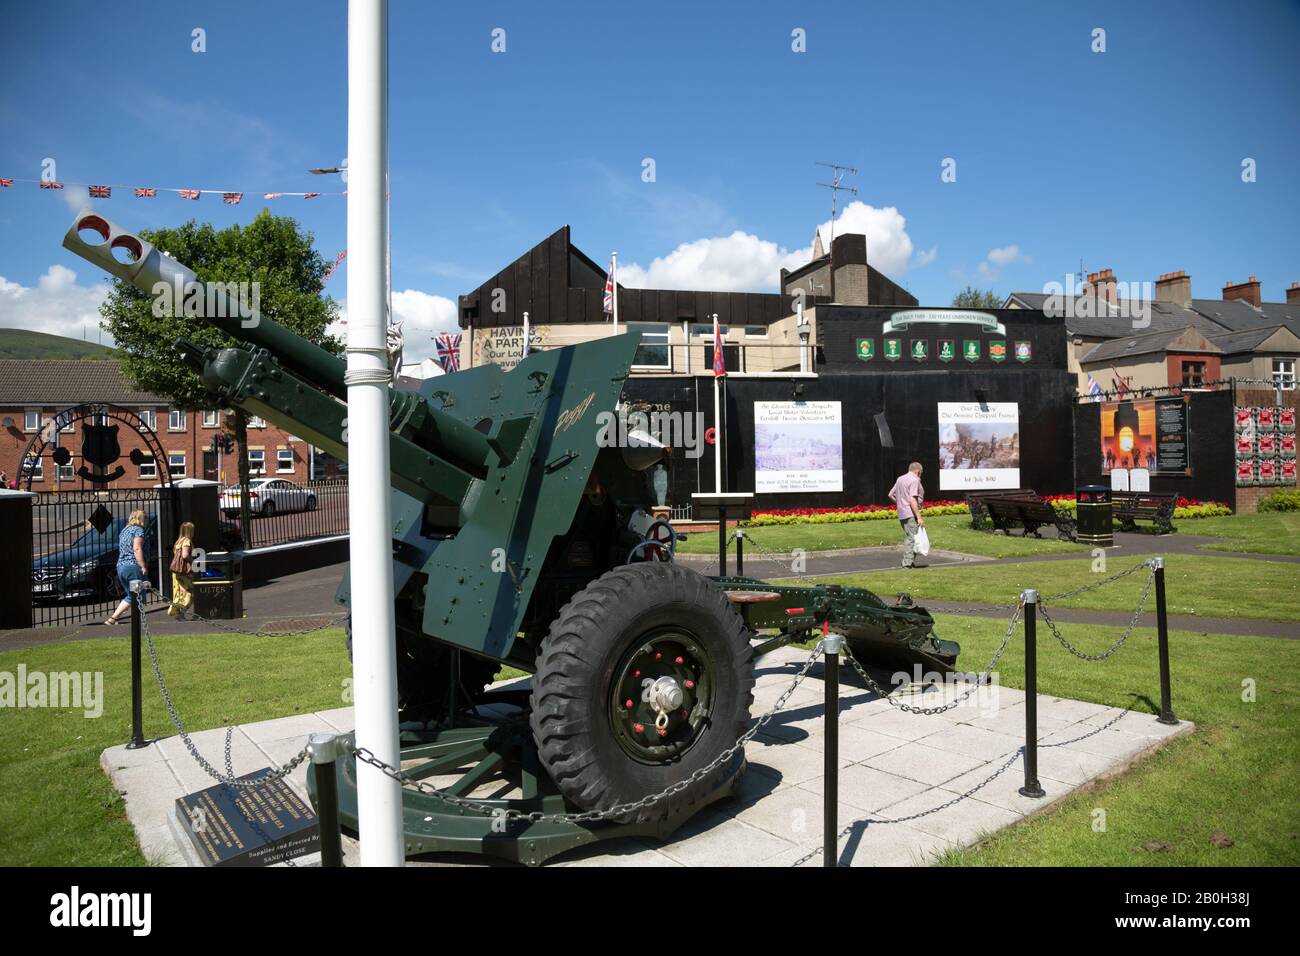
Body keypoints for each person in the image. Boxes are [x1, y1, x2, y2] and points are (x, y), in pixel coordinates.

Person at [105, 510, 149, 626]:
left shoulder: (124, 531)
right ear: (141, 519)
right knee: (138, 595)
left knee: (131, 595)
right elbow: (137, 548)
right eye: (145, 517)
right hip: (132, 566)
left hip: (121, 566)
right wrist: (142, 565)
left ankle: (113, 618)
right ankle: (138, 621)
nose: (147, 520)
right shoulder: (138, 530)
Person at [888, 462, 926, 569]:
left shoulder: (900, 479)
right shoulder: (914, 480)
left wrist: (900, 504)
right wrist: (919, 517)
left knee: (910, 537)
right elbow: (912, 499)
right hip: (911, 513)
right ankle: (907, 564)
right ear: (918, 471)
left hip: (902, 513)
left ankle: (909, 561)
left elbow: (890, 494)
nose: (920, 475)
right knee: (911, 538)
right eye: (921, 473)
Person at [168, 521, 196, 619]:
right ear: (189, 531)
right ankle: (181, 612)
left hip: (177, 571)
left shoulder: (178, 541)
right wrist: (192, 561)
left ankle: (178, 611)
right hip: (184, 572)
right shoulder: (187, 541)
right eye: (193, 530)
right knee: (191, 591)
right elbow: (185, 555)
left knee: (179, 592)